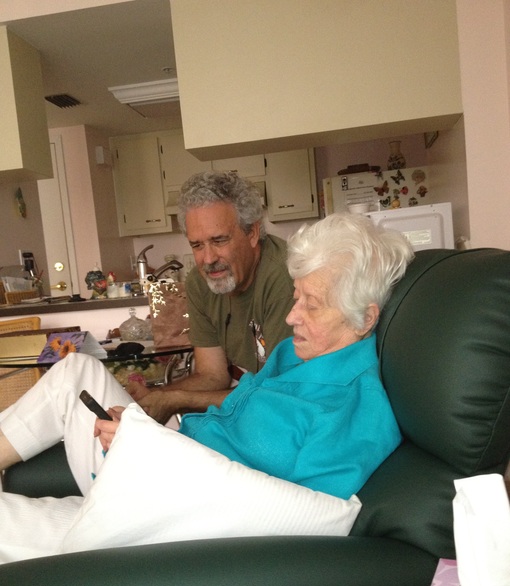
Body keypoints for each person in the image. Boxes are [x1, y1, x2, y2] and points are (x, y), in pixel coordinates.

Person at [0, 213, 414, 560]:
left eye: (312, 305)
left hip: (172, 520)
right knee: (77, 370)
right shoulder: (295, 355)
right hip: (159, 476)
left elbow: (301, 526)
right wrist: (143, 442)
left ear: (365, 318)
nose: (292, 317)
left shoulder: (353, 412)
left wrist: (148, 448)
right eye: (296, 297)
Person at [128, 171, 295, 424]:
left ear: (252, 233)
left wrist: (175, 399)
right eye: (197, 245)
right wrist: (154, 397)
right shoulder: (200, 283)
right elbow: (212, 375)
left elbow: (277, 396)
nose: (208, 259)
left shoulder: (285, 277)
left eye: (219, 241)